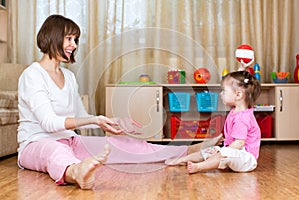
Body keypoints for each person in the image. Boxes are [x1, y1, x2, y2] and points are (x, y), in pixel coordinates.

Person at [17, 14, 221, 190]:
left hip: (71, 142)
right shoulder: (32, 75)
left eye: (76, 39)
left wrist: (112, 121)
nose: (74, 45)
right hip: (35, 143)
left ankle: (190, 150)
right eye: (69, 38)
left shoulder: (68, 77)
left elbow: (80, 117)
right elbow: (48, 123)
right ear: (52, 37)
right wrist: (97, 120)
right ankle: (76, 173)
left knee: (126, 144)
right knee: (56, 152)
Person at [165, 70, 261, 174]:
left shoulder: (242, 118)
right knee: (210, 150)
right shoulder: (236, 111)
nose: (221, 94)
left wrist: (222, 150)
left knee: (221, 152)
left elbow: (239, 143)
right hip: (236, 153)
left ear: (238, 95)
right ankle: (182, 160)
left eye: (224, 91)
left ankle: (199, 167)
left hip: (246, 159)